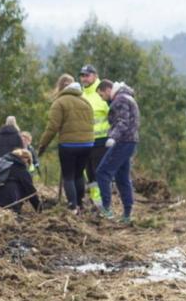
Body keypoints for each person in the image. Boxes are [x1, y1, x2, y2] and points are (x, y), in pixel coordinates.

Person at [36, 74, 94, 213]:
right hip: (87, 144)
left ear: (60, 87)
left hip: (69, 145)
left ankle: (72, 207)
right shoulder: (85, 101)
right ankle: (80, 205)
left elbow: (52, 128)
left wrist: (42, 145)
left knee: (68, 176)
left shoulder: (60, 102)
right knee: (79, 175)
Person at [95, 80, 140, 224]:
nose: (102, 98)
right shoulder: (127, 97)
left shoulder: (119, 100)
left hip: (122, 141)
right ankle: (127, 213)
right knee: (122, 177)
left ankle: (106, 209)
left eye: (101, 95)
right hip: (130, 141)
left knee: (102, 172)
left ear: (107, 90)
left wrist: (113, 137)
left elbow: (122, 122)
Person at [79, 65, 110, 205]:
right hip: (85, 141)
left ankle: (103, 203)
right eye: (82, 75)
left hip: (101, 141)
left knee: (99, 173)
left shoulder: (102, 92)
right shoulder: (81, 94)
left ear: (95, 76)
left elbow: (114, 115)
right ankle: (95, 202)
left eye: (87, 75)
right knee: (89, 173)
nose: (84, 78)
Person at [0, 149, 41, 214]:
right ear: (26, 159)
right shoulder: (20, 169)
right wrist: (39, 208)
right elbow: (31, 191)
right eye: (29, 162)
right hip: (6, 206)